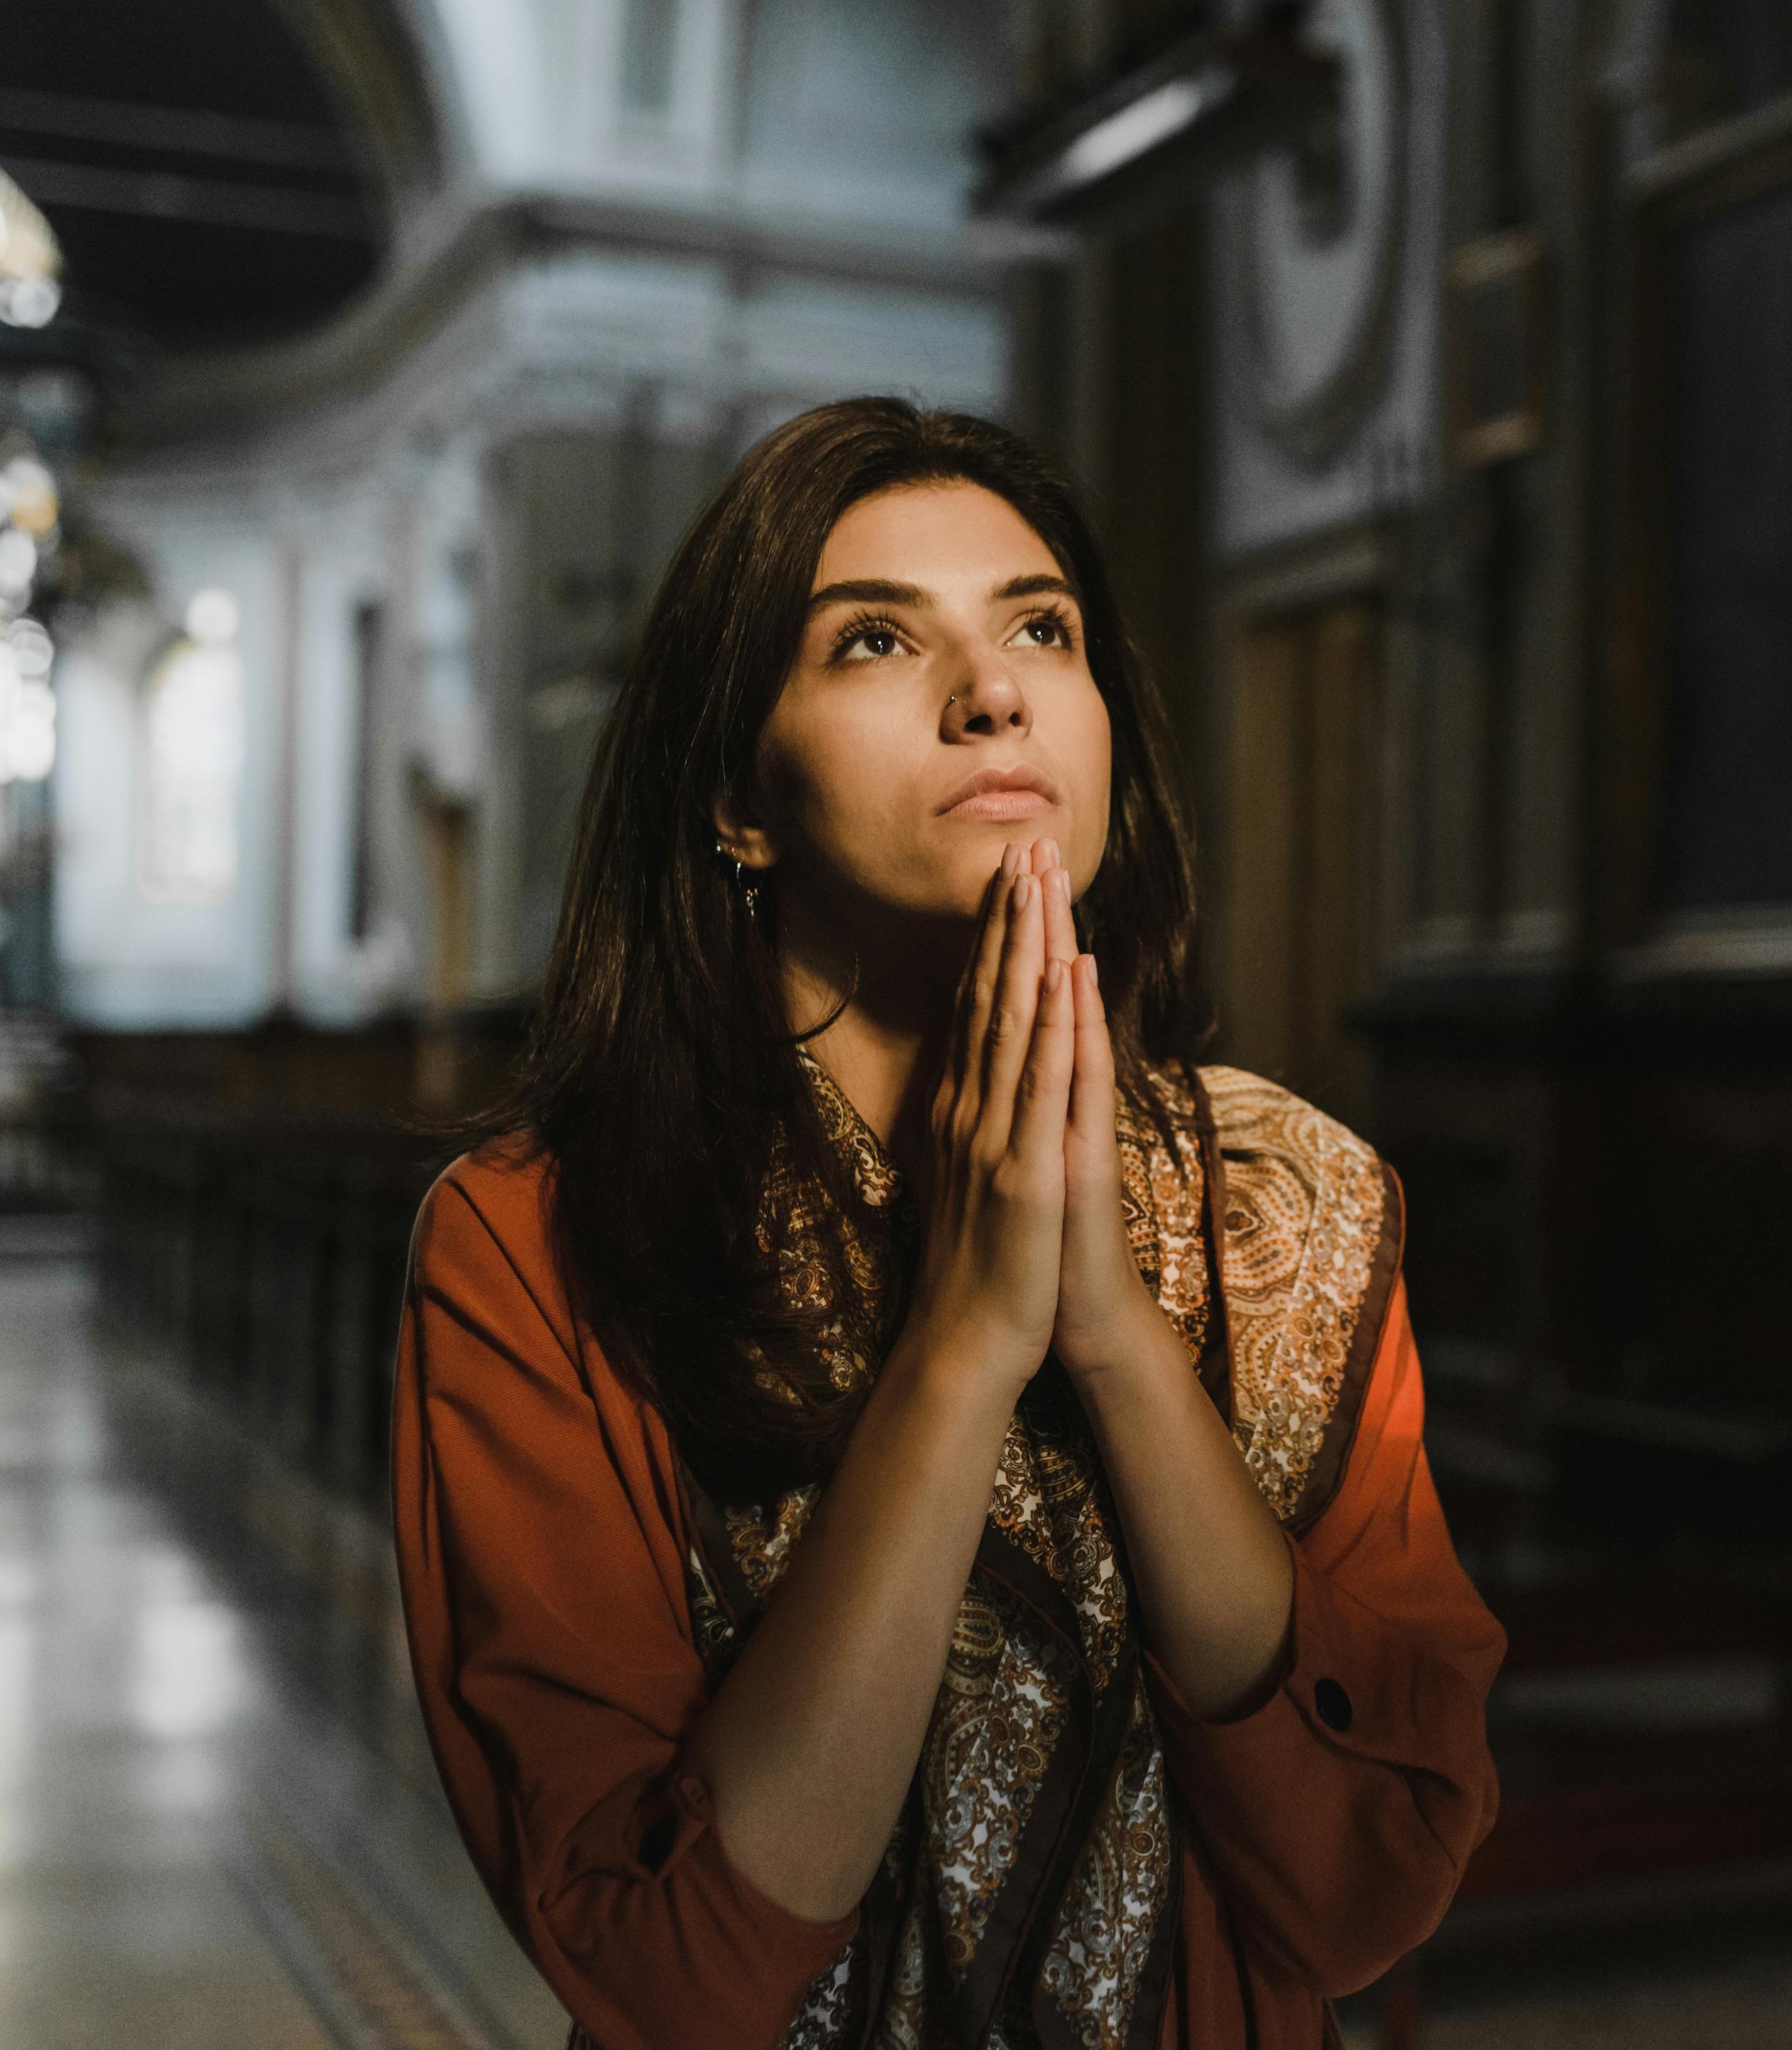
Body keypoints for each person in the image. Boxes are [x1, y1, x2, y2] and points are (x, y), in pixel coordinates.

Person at [391, 398, 1502, 2050]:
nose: (993, 690)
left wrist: (1116, 1335)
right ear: (738, 798)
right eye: (872, 640)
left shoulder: (1310, 1199)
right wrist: (968, 1341)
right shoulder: (535, 1241)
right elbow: (670, 1967)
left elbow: (1368, 1891)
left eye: (1040, 627)